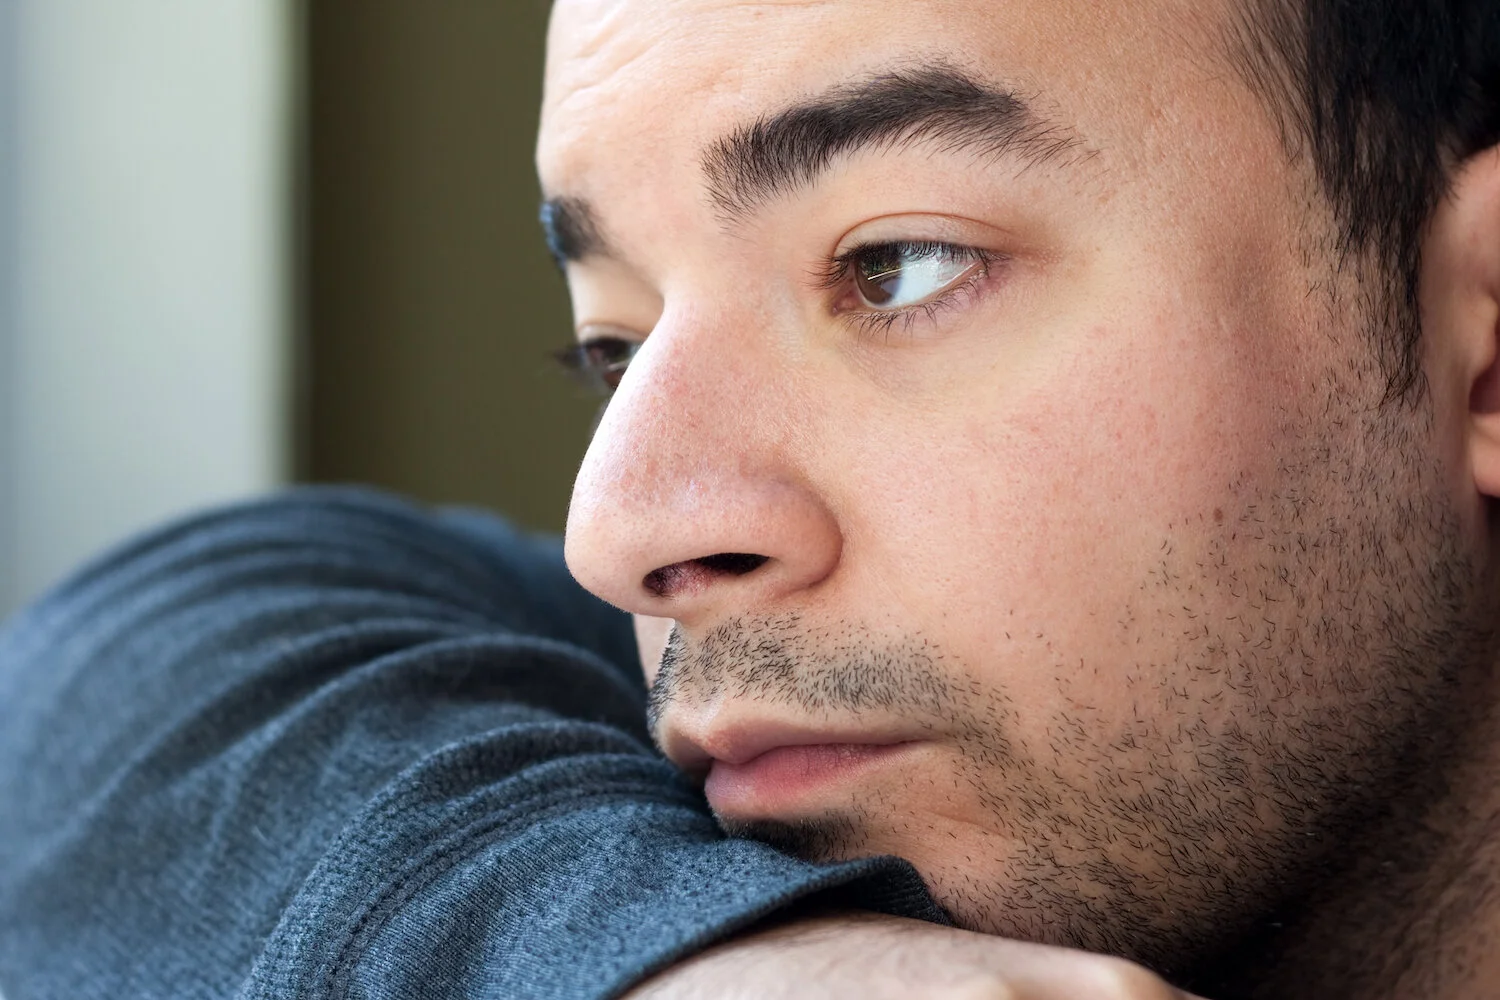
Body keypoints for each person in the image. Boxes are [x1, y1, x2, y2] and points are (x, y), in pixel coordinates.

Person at [3, 0, 1499, 997]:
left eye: (898, 265)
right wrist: (711, 966)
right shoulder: (674, 795)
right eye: (613, 340)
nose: (626, 529)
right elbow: (137, 686)